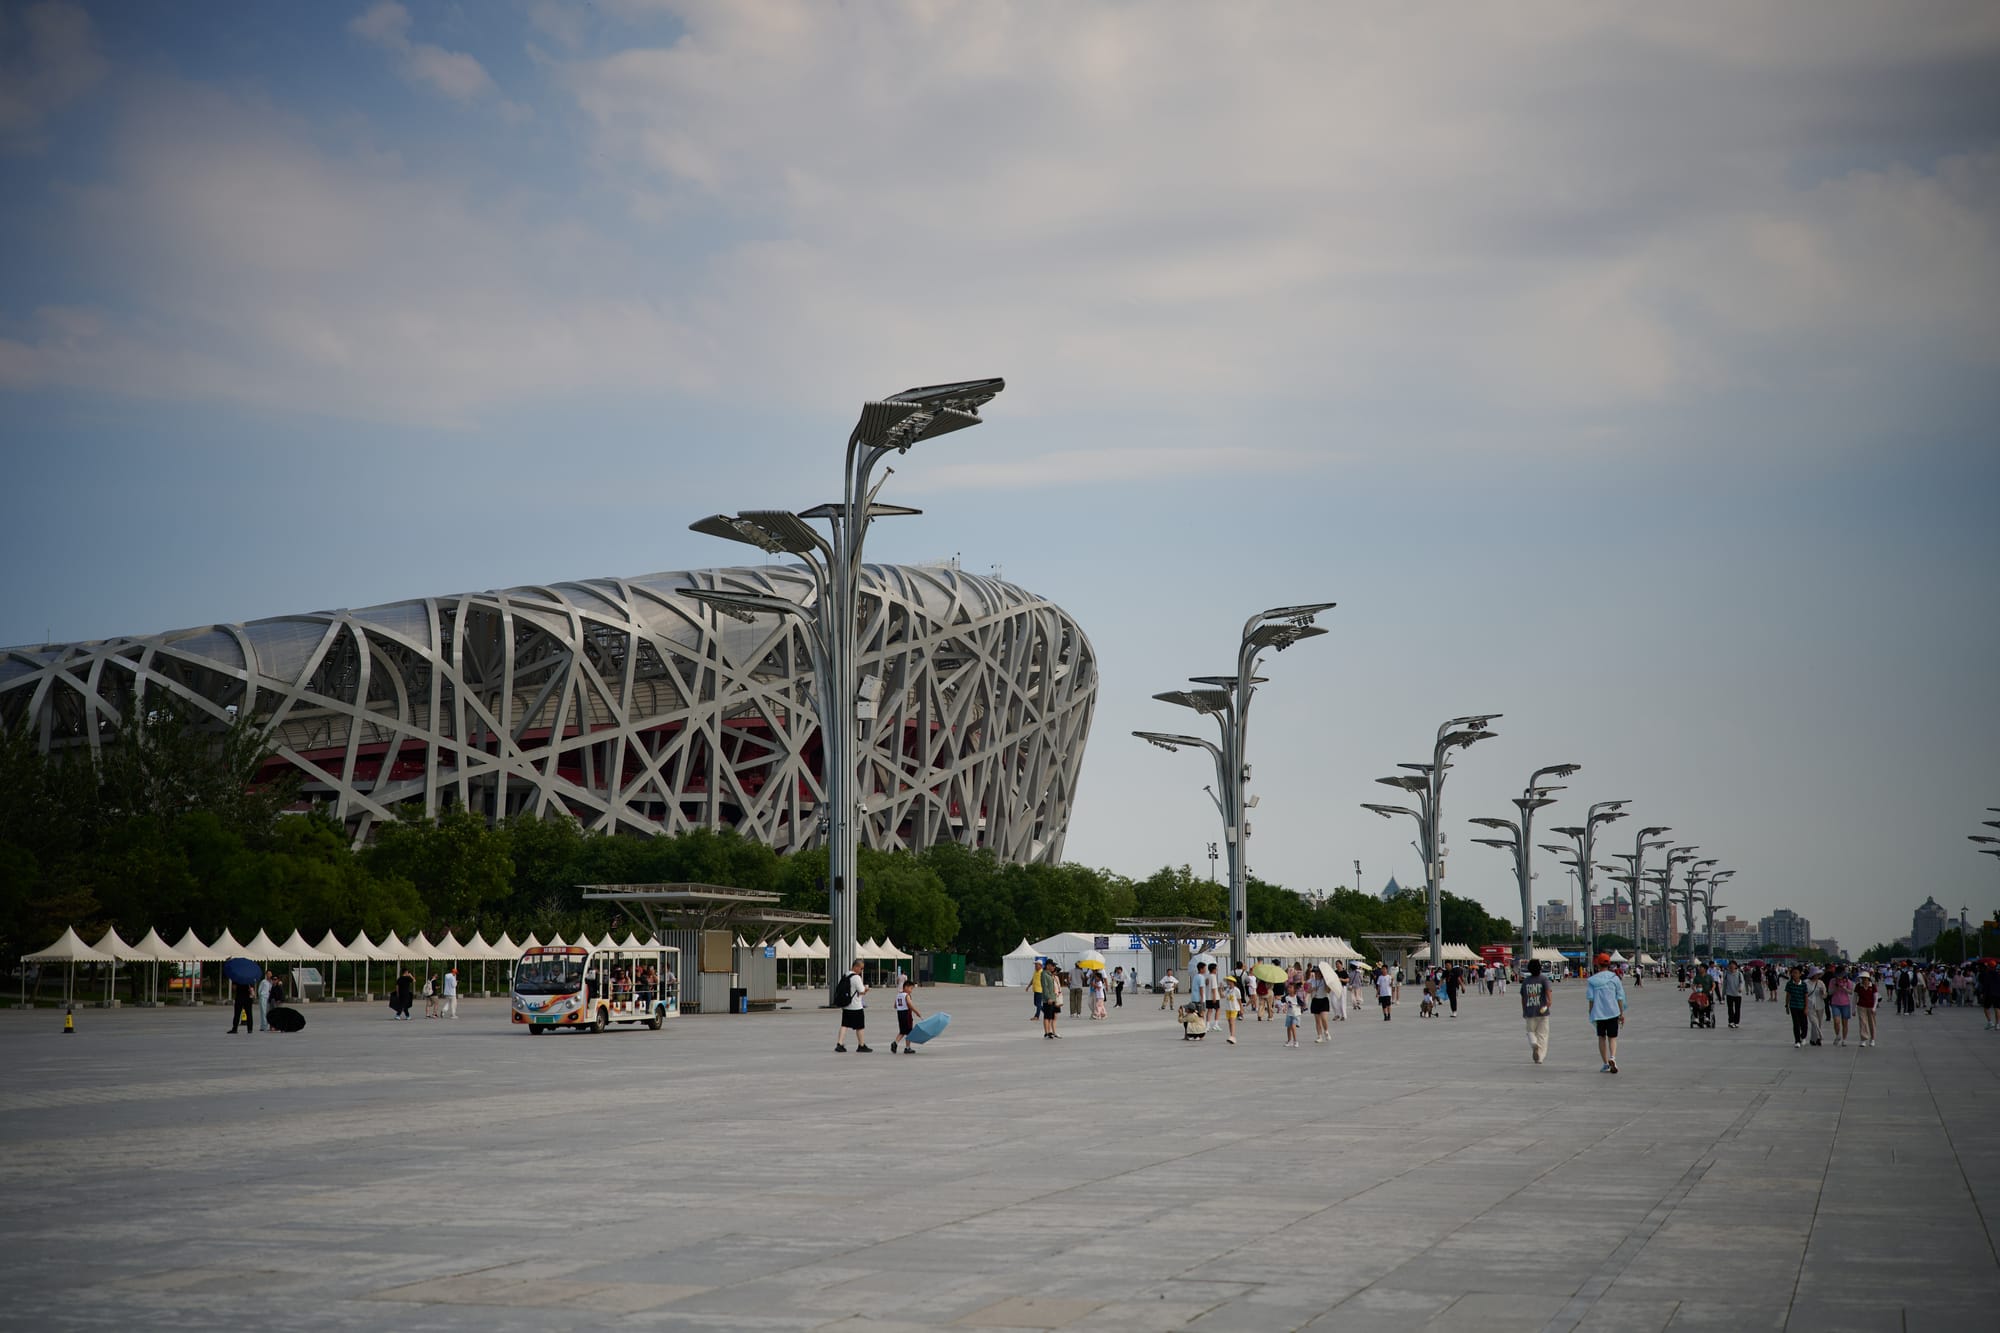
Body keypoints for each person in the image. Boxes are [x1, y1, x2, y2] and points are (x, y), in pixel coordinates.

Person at [1586, 953, 1627, 1073]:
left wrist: (1591, 1012)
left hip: (1599, 1012)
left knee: (1602, 1037)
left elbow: (1591, 999)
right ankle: (1612, 1057)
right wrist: (1621, 1013)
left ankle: (1605, 1064)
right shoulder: (1615, 978)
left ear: (1598, 965)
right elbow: (1620, 997)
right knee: (1612, 1037)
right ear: (1609, 964)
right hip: (1613, 1011)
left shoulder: (1592, 980)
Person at [1520, 958, 1553, 1064]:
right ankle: (1540, 1057)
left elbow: (1523, 998)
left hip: (1530, 1011)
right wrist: (1548, 1003)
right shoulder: (1544, 979)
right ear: (1540, 968)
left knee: (1530, 1032)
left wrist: (1524, 1010)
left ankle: (1534, 1043)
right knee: (1542, 1035)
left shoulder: (1526, 981)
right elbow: (1548, 994)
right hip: (1543, 1012)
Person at [834, 961, 871, 1052]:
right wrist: (866, 989)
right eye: (861, 968)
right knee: (860, 1026)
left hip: (846, 1005)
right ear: (856, 967)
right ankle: (861, 1045)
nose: (861, 970)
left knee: (844, 1025)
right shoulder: (856, 977)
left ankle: (839, 1043)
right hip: (856, 1006)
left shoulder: (846, 975)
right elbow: (861, 991)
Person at [889, 979, 922, 1053]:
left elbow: (895, 1006)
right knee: (909, 1032)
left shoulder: (898, 995)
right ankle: (907, 1048)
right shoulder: (907, 995)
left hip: (900, 1014)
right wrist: (917, 1012)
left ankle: (895, 1042)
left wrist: (901, 1006)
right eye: (911, 988)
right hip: (907, 1014)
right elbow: (910, 1005)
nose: (911, 991)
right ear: (906, 987)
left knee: (902, 1031)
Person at [1826, 966, 1854, 1046]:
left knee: (1845, 1023)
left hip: (1845, 1003)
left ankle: (1844, 1039)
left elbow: (1851, 992)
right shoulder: (1832, 981)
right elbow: (1829, 992)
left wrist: (1844, 988)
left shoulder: (1848, 981)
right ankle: (1838, 1035)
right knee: (1836, 1021)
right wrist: (1836, 988)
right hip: (1835, 1003)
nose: (1839, 977)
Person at [1783, 966, 1811, 1047]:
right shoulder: (1789, 984)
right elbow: (1788, 995)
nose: (1794, 974)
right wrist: (1786, 1005)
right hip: (1793, 1006)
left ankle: (1803, 1037)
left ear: (1800, 974)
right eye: (1793, 973)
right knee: (1796, 1024)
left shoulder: (1803, 984)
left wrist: (1806, 1007)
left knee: (1804, 1024)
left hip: (1802, 1006)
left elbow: (1806, 996)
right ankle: (1797, 1041)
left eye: (1796, 973)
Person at [1036, 958, 1063, 1039]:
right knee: (1047, 1016)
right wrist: (1048, 998)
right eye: (1052, 966)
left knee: (1050, 1016)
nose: (1053, 967)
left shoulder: (1049, 974)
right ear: (1048, 966)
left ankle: (1050, 1032)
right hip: (1048, 999)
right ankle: (1046, 1033)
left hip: (1053, 998)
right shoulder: (1044, 974)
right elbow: (1045, 987)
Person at [1855, 968, 1879, 1047]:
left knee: (1872, 1023)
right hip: (1861, 1006)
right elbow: (1854, 997)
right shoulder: (1858, 986)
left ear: (1868, 978)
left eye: (1865, 978)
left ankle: (1872, 1039)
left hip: (1870, 1006)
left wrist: (1874, 1007)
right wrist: (1853, 1009)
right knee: (1863, 1023)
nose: (1863, 980)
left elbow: (1876, 997)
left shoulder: (1873, 986)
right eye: (1862, 978)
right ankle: (1863, 1039)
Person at [1309, 966, 1331, 1043]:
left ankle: (1326, 1031)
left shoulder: (1324, 980)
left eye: (1317, 972)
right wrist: (1312, 989)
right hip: (1315, 1000)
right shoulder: (1312, 981)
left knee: (1324, 1018)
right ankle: (1319, 1036)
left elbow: (1328, 991)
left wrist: (1326, 984)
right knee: (1317, 1020)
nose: (1316, 974)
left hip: (1324, 1000)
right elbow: (1307, 990)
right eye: (1315, 972)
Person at [1220, 971, 1242, 1044]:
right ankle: (1231, 1036)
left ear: (1232, 982)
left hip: (1234, 1008)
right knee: (1229, 1022)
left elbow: (1239, 1000)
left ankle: (1232, 1036)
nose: (1228, 982)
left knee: (1232, 1022)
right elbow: (1222, 996)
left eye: (1229, 981)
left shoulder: (1236, 990)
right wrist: (1220, 989)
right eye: (1227, 981)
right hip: (1228, 1008)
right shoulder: (1227, 990)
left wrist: (1241, 1009)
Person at [1722, 961, 1744, 1029]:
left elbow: (1742, 982)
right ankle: (1731, 1022)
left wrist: (1741, 988)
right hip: (1729, 993)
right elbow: (1724, 984)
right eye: (1730, 965)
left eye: (1733, 965)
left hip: (1738, 994)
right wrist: (1723, 994)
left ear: (1736, 966)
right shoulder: (1726, 974)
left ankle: (1736, 1022)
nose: (1731, 966)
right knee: (1730, 1008)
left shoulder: (1739, 973)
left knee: (1737, 1009)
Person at [257, 968, 274, 1032]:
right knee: (263, 1012)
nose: (269, 975)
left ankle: (266, 1025)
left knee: (268, 1012)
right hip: (263, 998)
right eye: (268, 974)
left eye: (270, 974)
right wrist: (261, 996)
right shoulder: (263, 982)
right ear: (266, 975)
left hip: (269, 999)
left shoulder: (272, 982)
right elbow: (259, 990)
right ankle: (264, 1026)